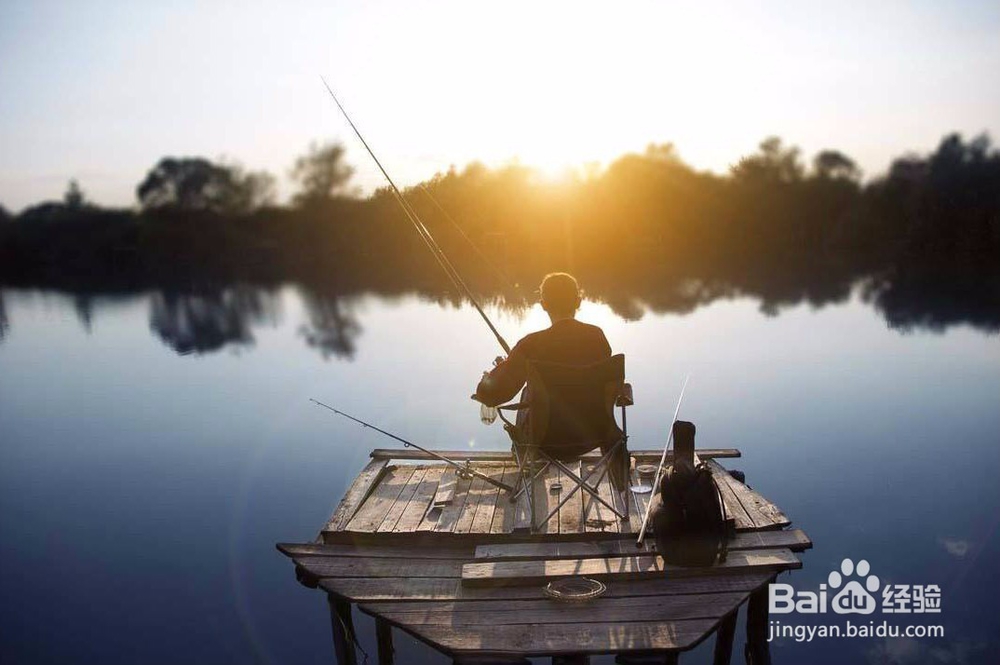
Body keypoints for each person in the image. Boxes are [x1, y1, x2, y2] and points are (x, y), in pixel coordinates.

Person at [473, 272, 611, 407]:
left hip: (548, 430)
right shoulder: (596, 336)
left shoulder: (530, 345)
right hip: (598, 429)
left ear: (543, 304)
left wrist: (493, 375)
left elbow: (491, 396)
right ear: (578, 302)